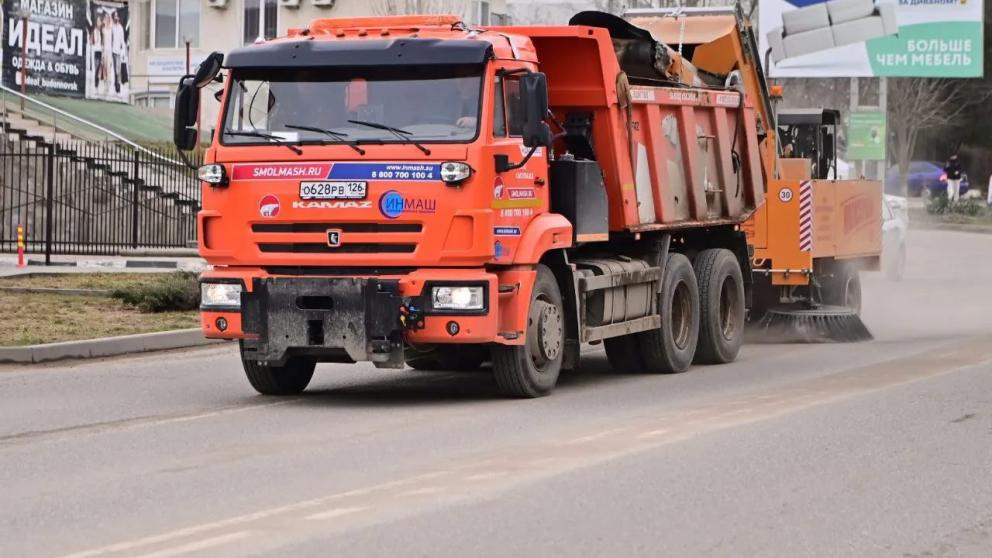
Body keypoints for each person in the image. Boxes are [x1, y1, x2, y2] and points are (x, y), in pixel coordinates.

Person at [111, 12, 126, 94]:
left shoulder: (120, 28)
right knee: (114, 70)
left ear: (119, 18)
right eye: (115, 16)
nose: (116, 18)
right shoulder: (113, 27)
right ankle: (115, 85)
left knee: (118, 70)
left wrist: (123, 52)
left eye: (117, 16)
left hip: (118, 52)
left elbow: (122, 41)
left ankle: (118, 86)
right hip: (113, 51)